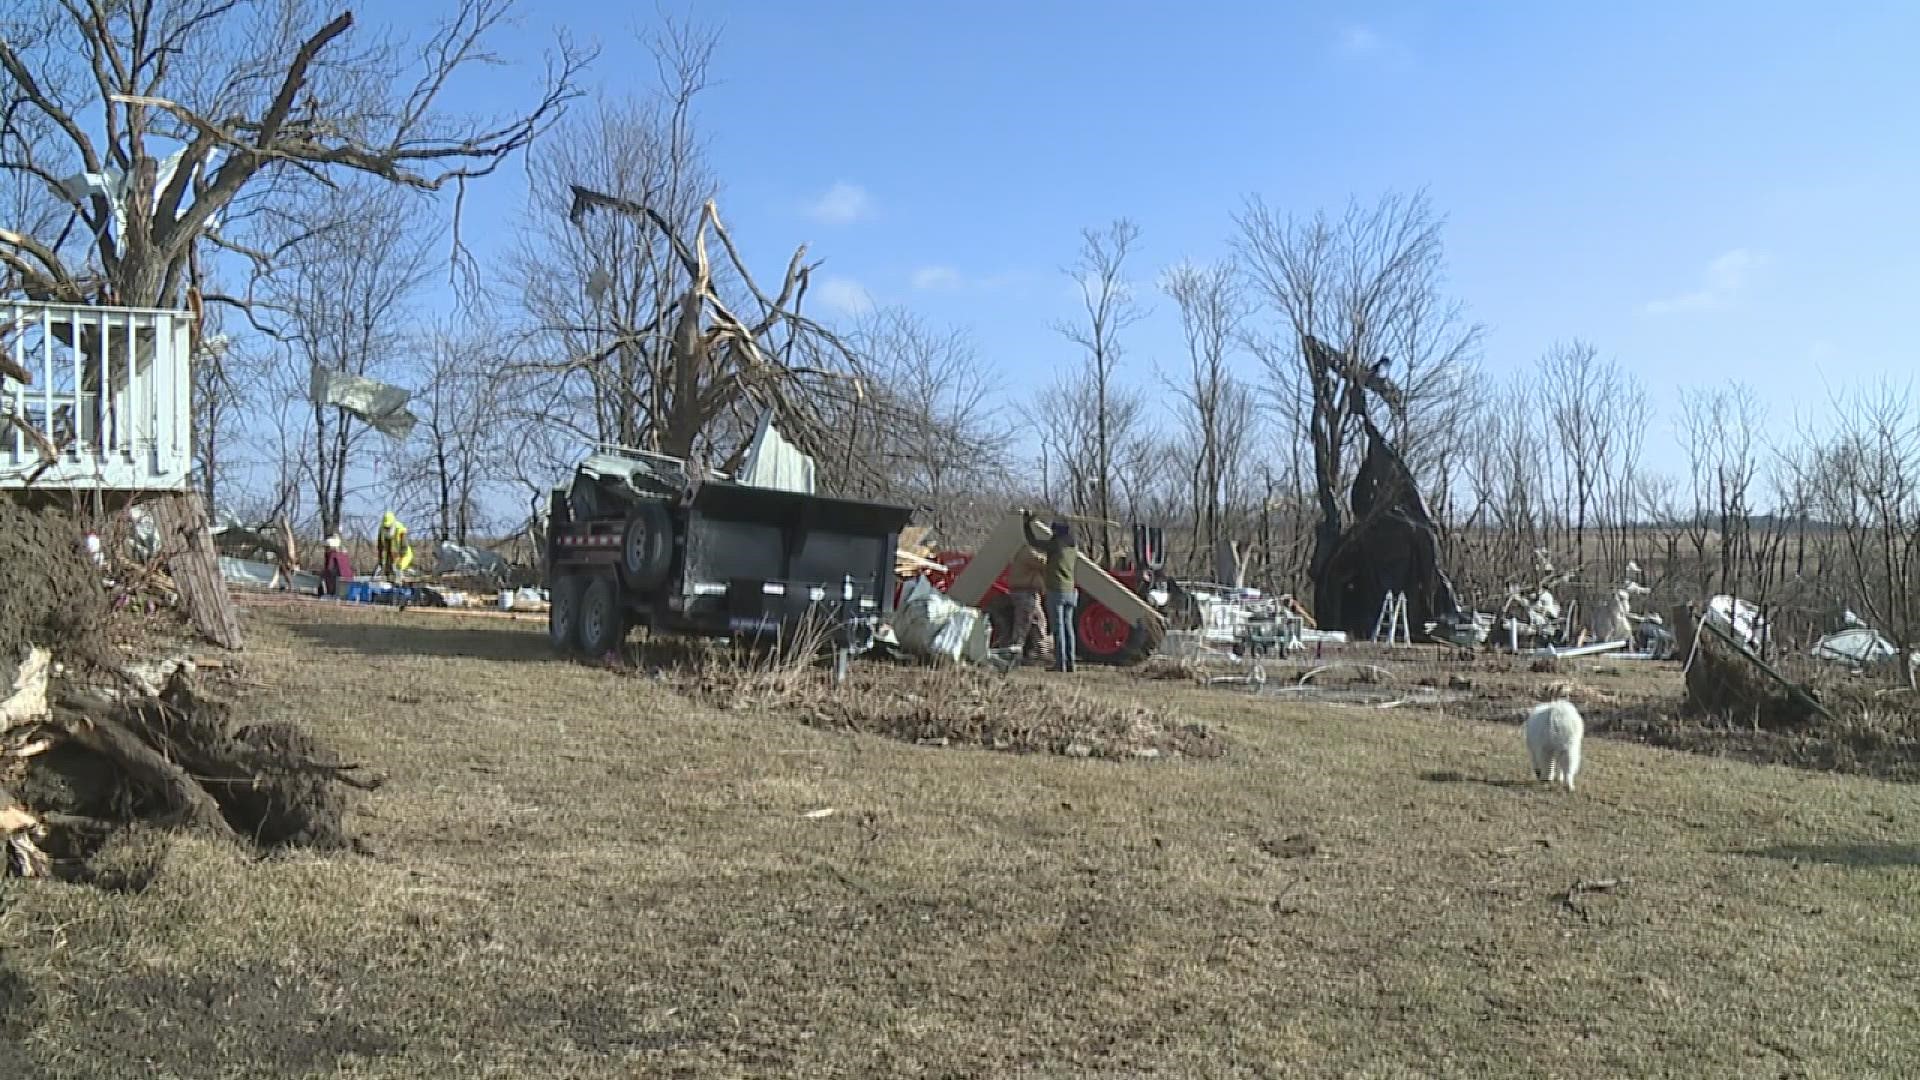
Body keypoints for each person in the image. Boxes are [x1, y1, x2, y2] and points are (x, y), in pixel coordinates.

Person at [1025, 511, 1079, 673]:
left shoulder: (1055, 545)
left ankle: (1060, 664)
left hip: (1057, 590)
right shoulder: (1073, 546)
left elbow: (1033, 541)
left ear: (1056, 533)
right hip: (1071, 590)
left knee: (1058, 628)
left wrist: (1027, 524)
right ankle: (1071, 663)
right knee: (1069, 629)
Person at [1007, 516, 1052, 664]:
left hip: (1028, 592)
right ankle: (1015, 654)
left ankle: (1041, 651)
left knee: (1037, 621)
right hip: (1024, 592)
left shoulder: (1026, 551)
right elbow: (1043, 563)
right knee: (1023, 623)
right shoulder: (1027, 552)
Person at [376, 511, 414, 580]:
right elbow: (380, 548)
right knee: (389, 569)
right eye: (385, 527)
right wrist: (381, 562)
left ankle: (405, 574)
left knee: (399, 566)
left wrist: (399, 559)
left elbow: (404, 546)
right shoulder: (381, 530)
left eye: (388, 527)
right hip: (392, 554)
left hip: (404, 553)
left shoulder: (400, 529)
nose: (387, 529)